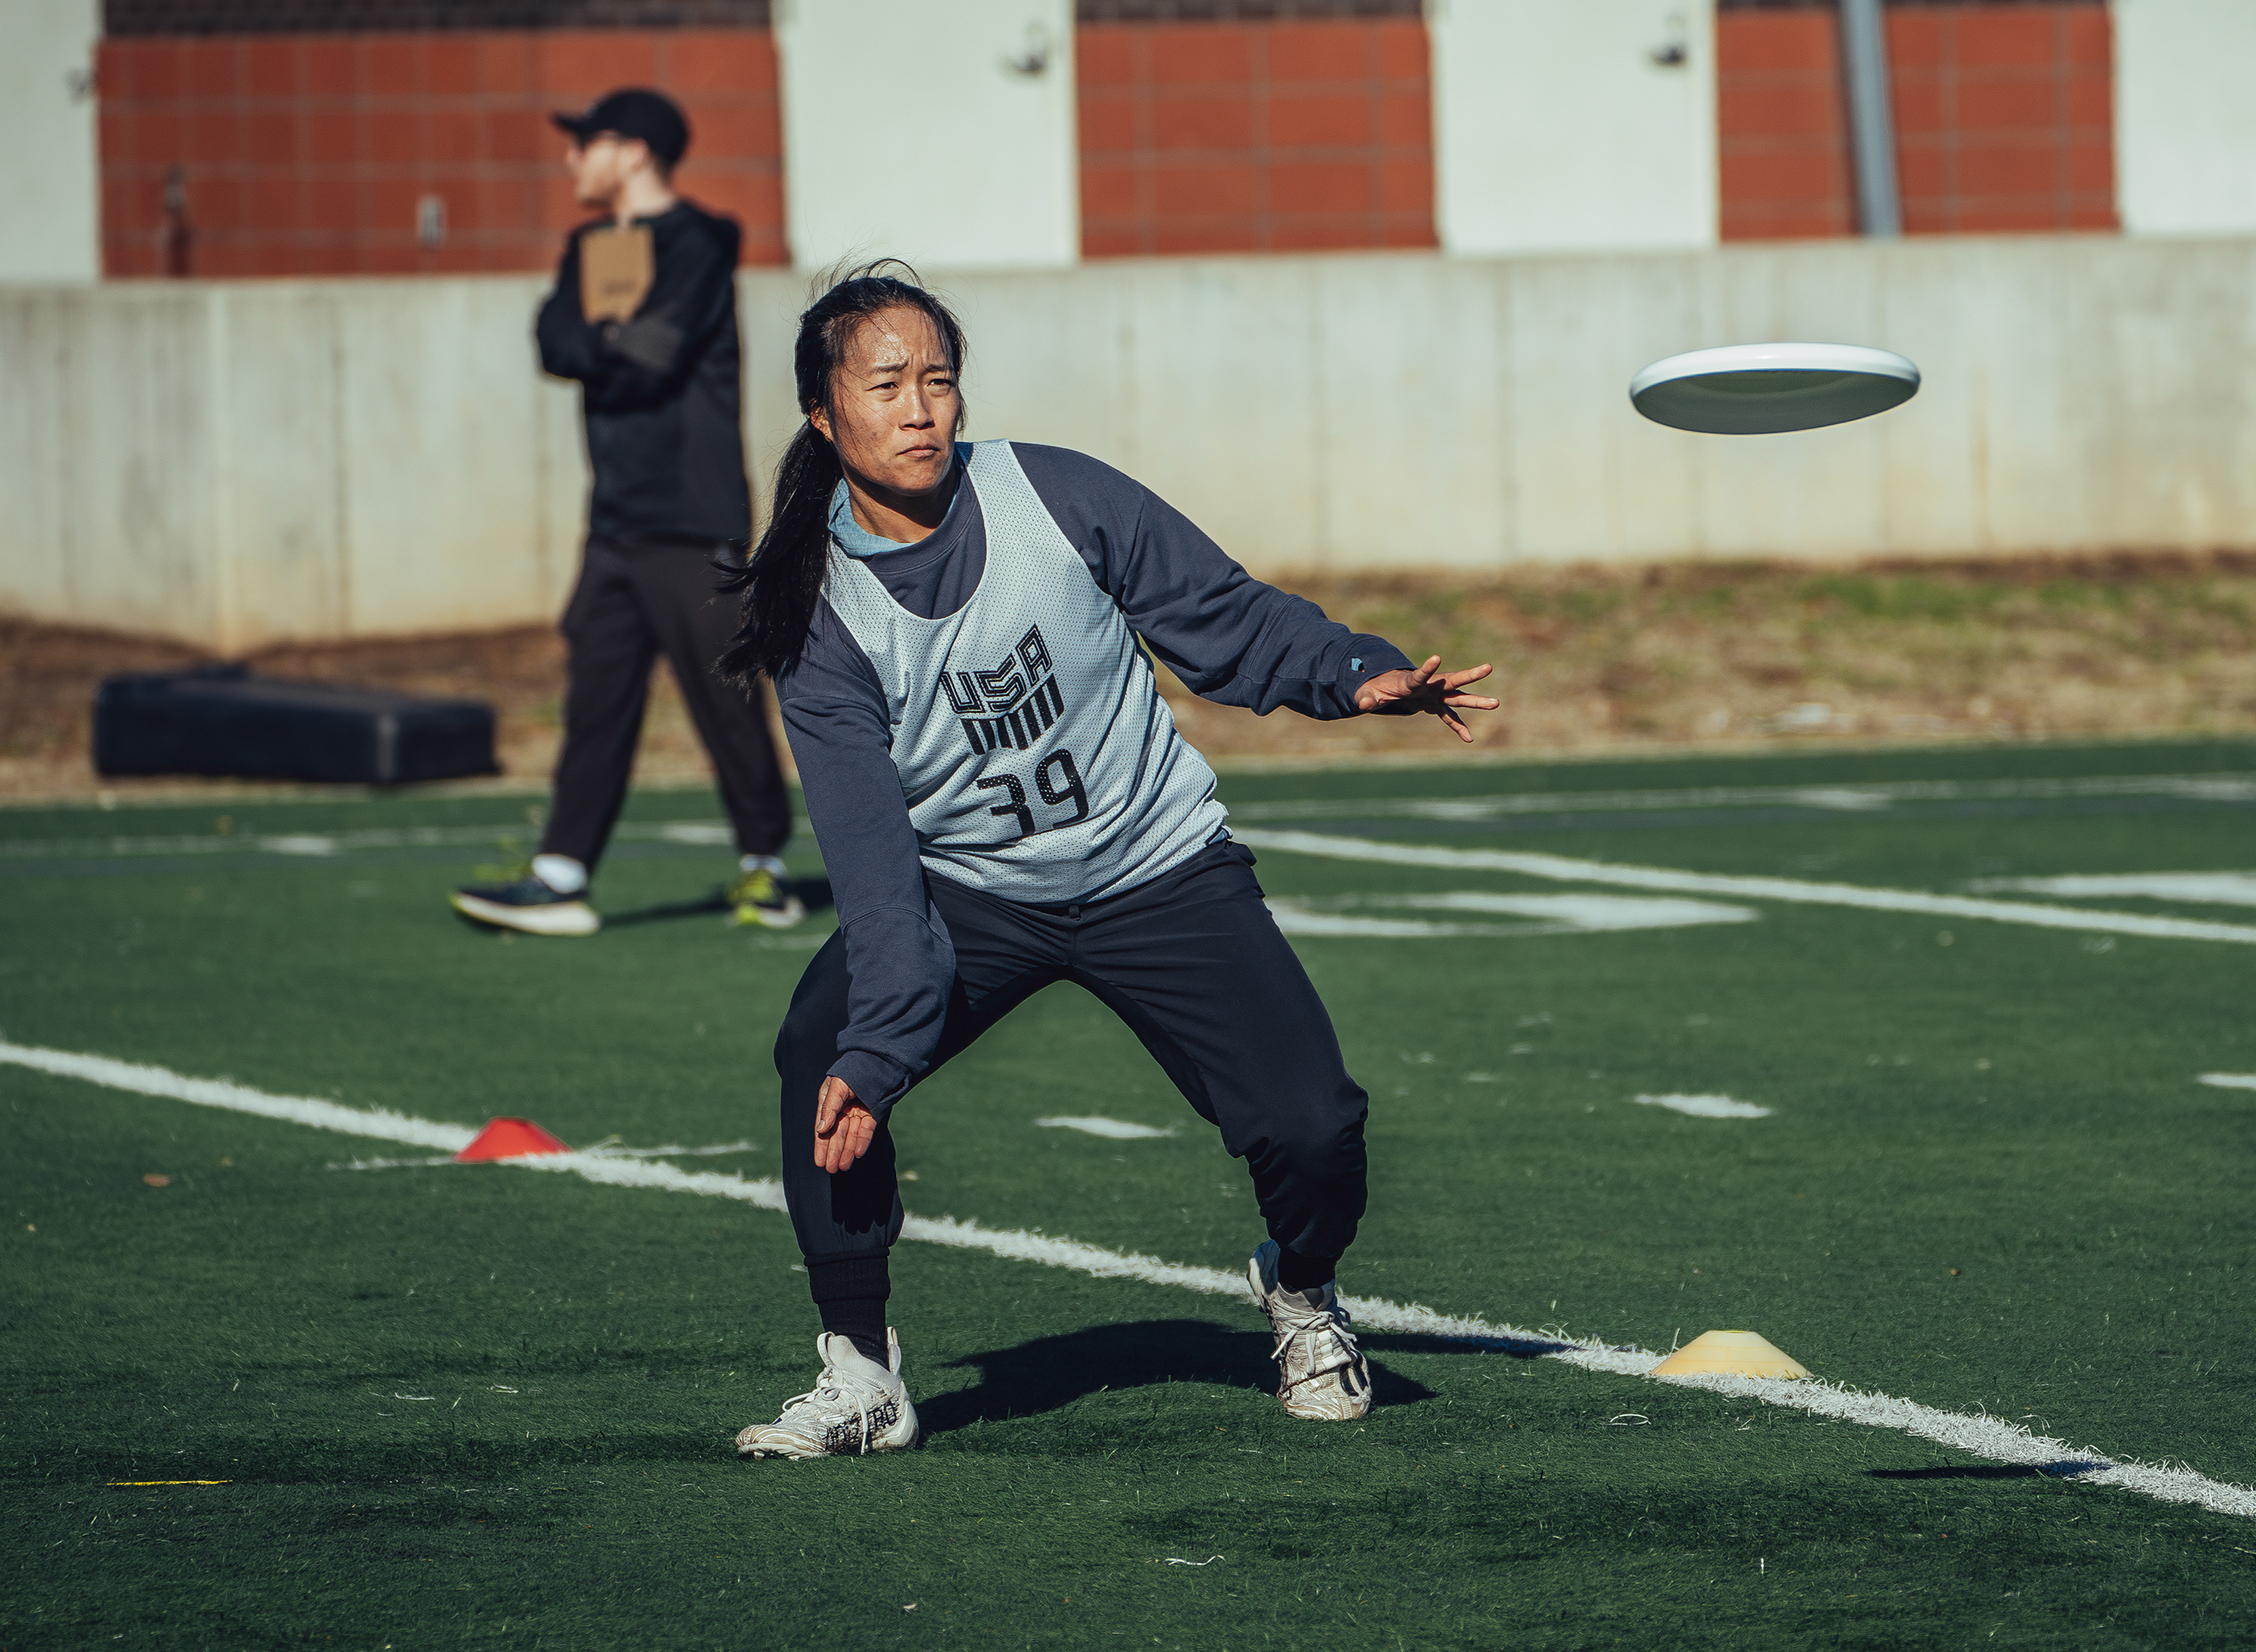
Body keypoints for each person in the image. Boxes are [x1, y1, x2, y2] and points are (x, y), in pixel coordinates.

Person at [721, 264, 1499, 1458]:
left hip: (1157, 867)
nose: (921, 408)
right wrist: (877, 1051)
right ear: (823, 416)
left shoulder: (1056, 494)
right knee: (823, 1053)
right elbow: (872, 863)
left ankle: (1300, 1291)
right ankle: (862, 1372)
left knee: (1316, 1126)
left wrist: (1352, 673)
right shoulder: (817, 612)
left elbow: (1226, 616)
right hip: (978, 892)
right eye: (886, 385)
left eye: (938, 379)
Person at [453, 87, 802, 939]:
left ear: (635, 151)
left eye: (588, 142)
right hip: (614, 521)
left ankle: (765, 867)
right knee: (595, 701)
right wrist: (610, 339)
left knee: (725, 703)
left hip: (695, 521)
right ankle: (560, 873)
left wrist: (600, 341)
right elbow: (554, 341)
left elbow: (659, 353)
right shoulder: (588, 247)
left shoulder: (702, 242)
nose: (572, 159)